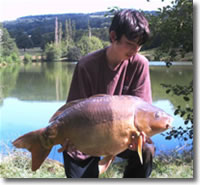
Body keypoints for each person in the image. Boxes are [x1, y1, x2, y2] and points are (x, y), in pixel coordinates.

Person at [63, 9, 154, 178]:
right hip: (88, 136)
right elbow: (73, 112)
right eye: (130, 44)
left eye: (139, 45)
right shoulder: (86, 65)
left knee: (146, 149)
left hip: (123, 135)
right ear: (113, 37)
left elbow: (144, 112)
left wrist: (140, 135)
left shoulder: (140, 64)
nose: (135, 50)